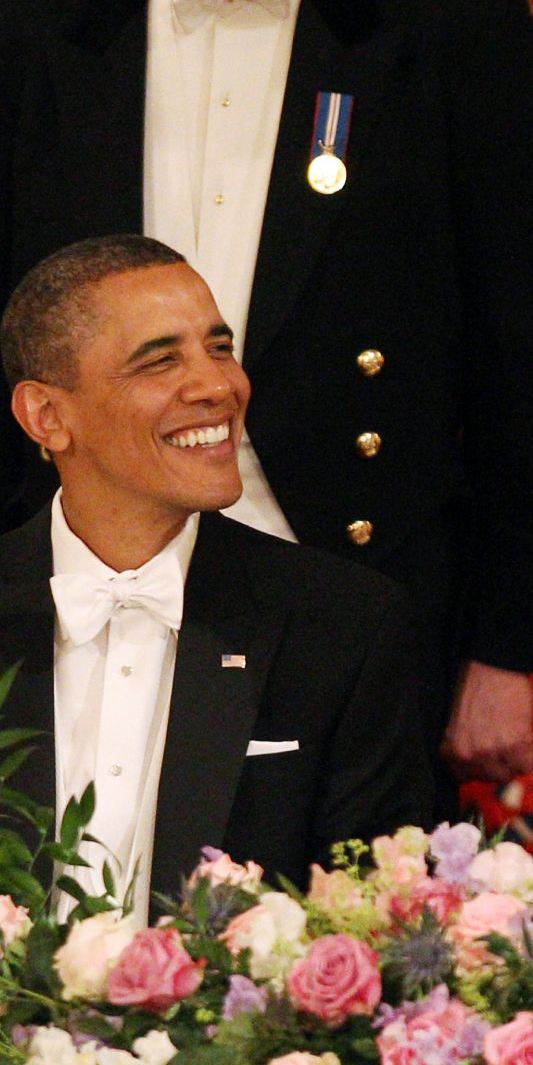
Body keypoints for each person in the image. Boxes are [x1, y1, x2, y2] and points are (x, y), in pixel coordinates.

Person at [0, 0, 533, 805]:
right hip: (61, 593)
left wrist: (506, 644)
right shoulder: (32, 14)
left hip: (361, 602)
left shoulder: (450, 16)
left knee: (344, 926)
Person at [0, 235, 435, 924]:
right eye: (161, 360)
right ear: (47, 417)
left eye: (219, 347)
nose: (218, 386)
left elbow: (379, 920)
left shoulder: (344, 625)